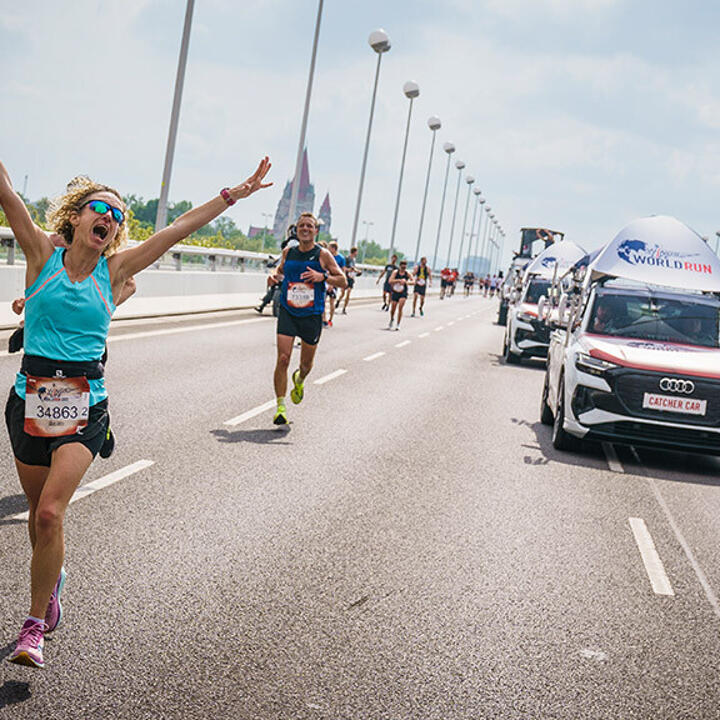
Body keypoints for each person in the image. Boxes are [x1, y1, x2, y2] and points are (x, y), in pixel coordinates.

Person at [1, 156, 271, 668]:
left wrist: (234, 194)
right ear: (77, 217)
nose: (111, 219)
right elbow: (7, 194)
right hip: (30, 404)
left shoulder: (116, 271)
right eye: (102, 209)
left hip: (86, 407)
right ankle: (52, 579)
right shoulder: (40, 256)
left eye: (119, 217)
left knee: (53, 511)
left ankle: (33, 627)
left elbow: (178, 228)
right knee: (39, 520)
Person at [270, 212, 346, 425]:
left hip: (312, 315)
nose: (305, 229)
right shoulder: (288, 252)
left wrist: (323, 277)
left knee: (306, 364)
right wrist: (275, 277)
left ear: (315, 231)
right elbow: (280, 270)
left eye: (309, 226)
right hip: (288, 310)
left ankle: (300, 379)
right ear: (296, 229)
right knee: (283, 358)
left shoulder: (323, 255)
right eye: (301, 225)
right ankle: (280, 407)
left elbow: (343, 281)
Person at [387, 260, 413, 331]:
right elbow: (390, 281)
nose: (404, 267)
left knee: (400, 307)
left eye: (405, 265)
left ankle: (398, 324)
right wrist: (398, 280)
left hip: (403, 292)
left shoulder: (407, 273)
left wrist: (406, 282)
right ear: (400, 266)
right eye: (402, 265)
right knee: (393, 308)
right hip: (395, 291)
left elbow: (413, 281)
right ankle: (392, 319)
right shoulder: (395, 272)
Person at [340, 246, 361, 315]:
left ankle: (344, 308)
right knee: (342, 293)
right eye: (356, 252)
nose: (357, 253)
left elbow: (354, 268)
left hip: (351, 279)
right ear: (354, 252)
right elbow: (344, 268)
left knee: (348, 293)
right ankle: (338, 301)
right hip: (345, 277)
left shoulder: (353, 260)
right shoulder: (347, 259)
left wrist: (357, 271)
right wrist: (350, 269)